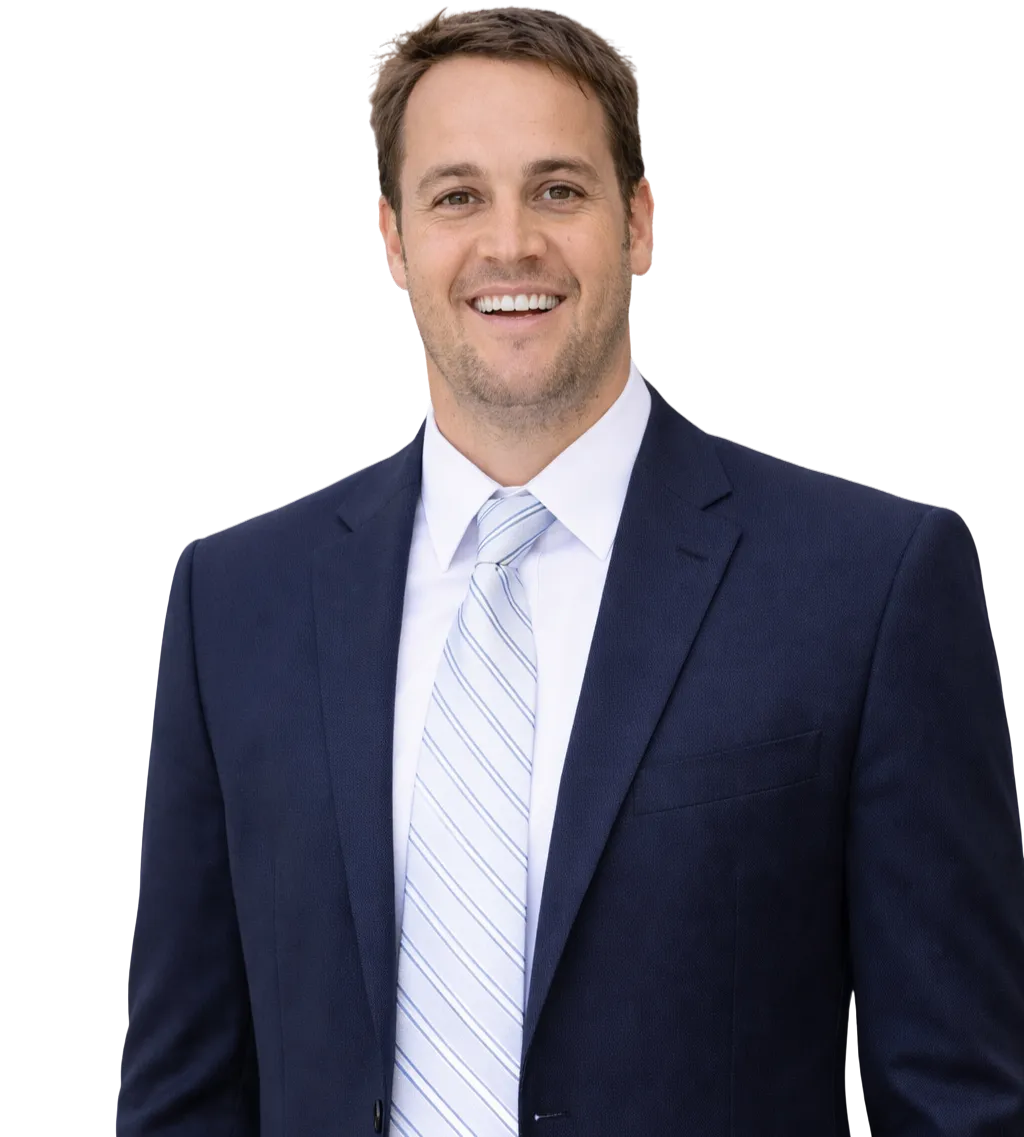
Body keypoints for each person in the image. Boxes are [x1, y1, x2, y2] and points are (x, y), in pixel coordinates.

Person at [118, 7, 1024, 1134]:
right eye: (457, 196)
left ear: (638, 224)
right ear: (393, 239)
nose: (510, 244)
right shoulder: (236, 603)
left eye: (557, 190)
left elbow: (950, 1100)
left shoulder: (872, 586)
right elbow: (183, 1094)